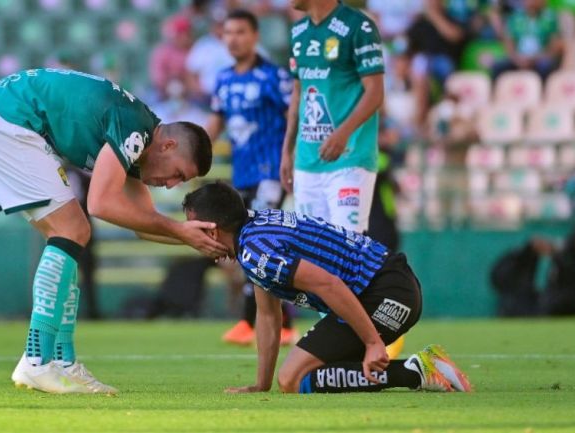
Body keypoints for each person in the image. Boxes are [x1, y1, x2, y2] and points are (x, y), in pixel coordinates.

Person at [0, 68, 225, 395]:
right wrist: (181, 231)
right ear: (167, 145)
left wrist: (191, 238)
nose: (171, 185)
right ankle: (37, 360)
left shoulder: (139, 134)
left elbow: (143, 222)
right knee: (74, 228)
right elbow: (100, 204)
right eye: (178, 174)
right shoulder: (136, 131)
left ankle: (63, 363)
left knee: (67, 238)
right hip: (3, 120)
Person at [179, 182, 473, 394]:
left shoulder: (255, 251)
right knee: (298, 376)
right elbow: (268, 316)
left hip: (386, 294)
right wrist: (261, 385)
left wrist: (373, 343)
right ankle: (414, 369)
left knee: (293, 379)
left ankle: (417, 371)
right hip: (388, 284)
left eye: (193, 228)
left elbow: (328, 283)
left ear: (212, 230)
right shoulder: (253, 231)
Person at [207, 9, 298, 345]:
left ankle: (262, 322)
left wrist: (292, 159)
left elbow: (294, 117)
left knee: (260, 245)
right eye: (228, 33)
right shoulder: (223, 79)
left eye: (241, 32)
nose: (234, 38)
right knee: (243, 247)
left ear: (255, 35)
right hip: (241, 176)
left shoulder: (274, 77)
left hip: (271, 173)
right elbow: (215, 123)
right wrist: (194, 154)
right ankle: (268, 321)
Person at [281, 0, 385, 234]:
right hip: (307, 163)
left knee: (346, 247)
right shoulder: (298, 32)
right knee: (312, 252)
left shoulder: (359, 26)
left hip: (349, 160)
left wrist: (343, 134)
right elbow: (298, 93)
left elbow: (376, 92)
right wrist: (286, 151)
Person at [491, 0, 562, 81]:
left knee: (546, 66)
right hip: (518, 58)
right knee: (498, 66)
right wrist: (517, 59)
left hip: (539, 59)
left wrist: (535, 59)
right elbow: (509, 43)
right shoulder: (515, 17)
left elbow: (554, 48)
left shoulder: (550, 19)